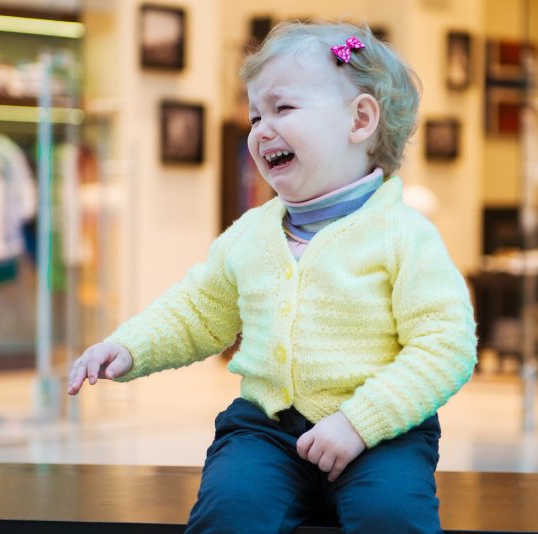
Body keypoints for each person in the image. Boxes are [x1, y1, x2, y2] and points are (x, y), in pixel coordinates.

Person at [68, 20, 477, 533]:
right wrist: (130, 347)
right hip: (266, 430)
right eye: (255, 114)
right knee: (229, 510)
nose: (260, 129)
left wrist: (358, 422)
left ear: (360, 120)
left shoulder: (404, 236)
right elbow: (198, 311)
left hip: (381, 432)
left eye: (282, 108)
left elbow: (447, 346)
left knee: (391, 516)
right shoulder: (250, 234)